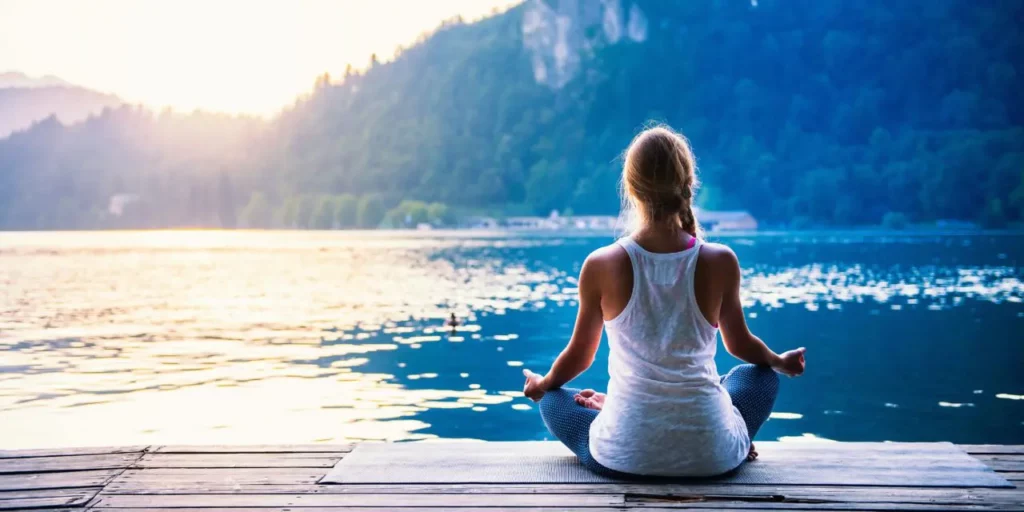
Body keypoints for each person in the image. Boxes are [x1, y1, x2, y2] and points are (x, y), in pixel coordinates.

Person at [522, 125, 806, 478]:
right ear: (688, 184)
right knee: (759, 376)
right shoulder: (721, 261)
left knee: (554, 398)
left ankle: (617, 414)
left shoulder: (601, 264)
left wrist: (541, 384)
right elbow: (741, 346)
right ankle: (731, 440)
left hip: (624, 456)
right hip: (712, 458)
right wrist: (779, 361)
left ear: (630, 188)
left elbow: (580, 357)